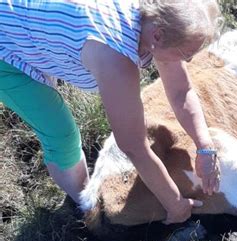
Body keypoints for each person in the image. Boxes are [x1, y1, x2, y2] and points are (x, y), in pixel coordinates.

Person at [0, 0, 221, 224]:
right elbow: (134, 146)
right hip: (5, 46)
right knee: (61, 135)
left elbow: (181, 91)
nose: (188, 61)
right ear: (157, 36)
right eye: (186, 54)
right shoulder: (115, 58)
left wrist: (205, 147)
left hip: (30, 26)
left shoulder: (152, 22)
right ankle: (87, 205)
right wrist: (175, 204)